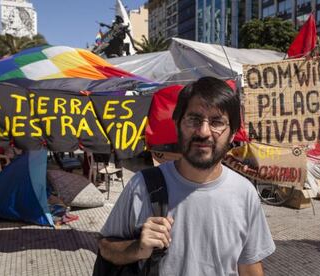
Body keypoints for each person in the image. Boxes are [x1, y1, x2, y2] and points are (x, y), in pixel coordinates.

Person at [98, 77, 275, 275]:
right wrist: (137, 248)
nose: (204, 132)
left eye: (217, 122)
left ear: (233, 133)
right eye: (194, 119)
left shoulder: (245, 193)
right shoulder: (141, 186)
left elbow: (249, 265)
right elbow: (105, 247)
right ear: (177, 124)